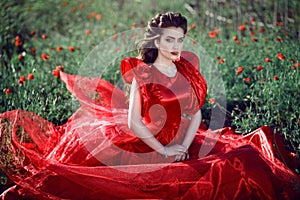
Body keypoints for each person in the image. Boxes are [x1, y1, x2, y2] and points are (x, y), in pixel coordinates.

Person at [0, 11, 299, 200]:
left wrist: (183, 142)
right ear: (156, 41)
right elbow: (134, 122)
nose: (176, 46)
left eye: (180, 39)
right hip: (145, 142)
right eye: (169, 40)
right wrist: (165, 150)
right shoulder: (141, 73)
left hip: (185, 138)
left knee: (247, 157)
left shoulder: (187, 68)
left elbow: (195, 112)